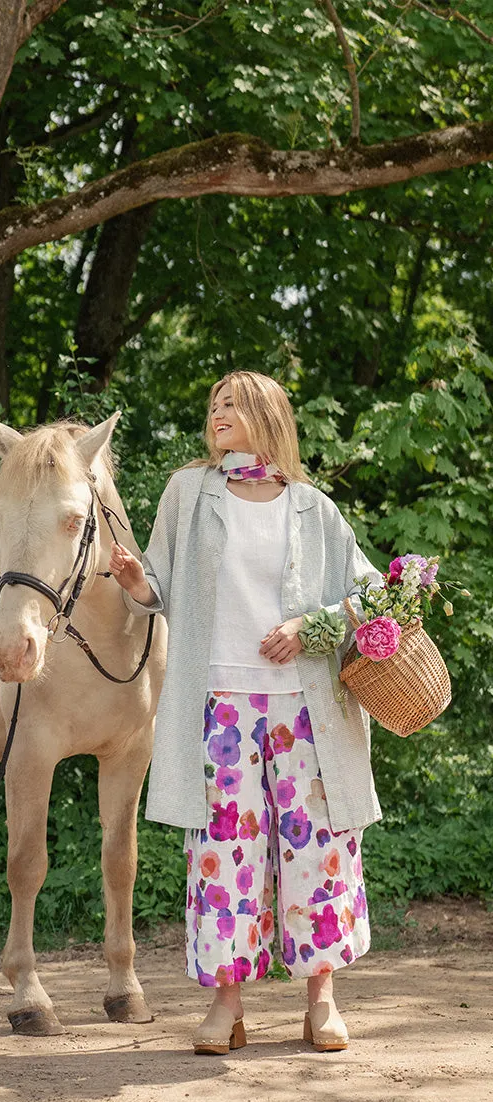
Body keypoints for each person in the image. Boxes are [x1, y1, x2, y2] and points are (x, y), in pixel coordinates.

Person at [109, 370, 383, 1054]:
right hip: (221, 709)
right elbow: (160, 587)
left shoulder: (314, 508)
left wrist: (309, 627)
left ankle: (321, 999)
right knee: (224, 855)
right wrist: (137, 580)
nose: (218, 413)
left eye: (232, 402)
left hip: (307, 710)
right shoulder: (187, 493)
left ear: (267, 413)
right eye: (212, 405)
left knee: (318, 852)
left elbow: (376, 593)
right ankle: (225, 1005)